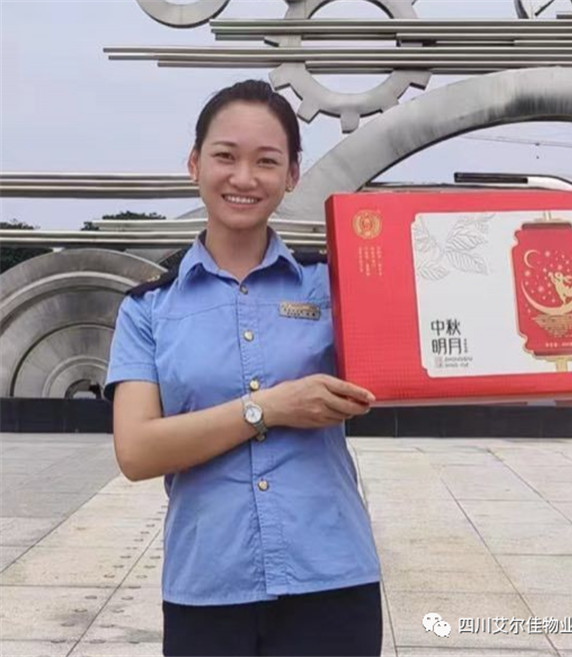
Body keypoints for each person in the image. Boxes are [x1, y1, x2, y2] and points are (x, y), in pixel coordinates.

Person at [104, 79, 383, 657]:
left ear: (293, 174)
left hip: (331, 577)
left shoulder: (335, 286)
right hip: (208, 584)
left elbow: (423, 342)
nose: (244, 177)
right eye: (226, 156)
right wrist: (269, 408)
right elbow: (137, 452)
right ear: (195, 163)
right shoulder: (149, 309)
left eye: (267, 161)